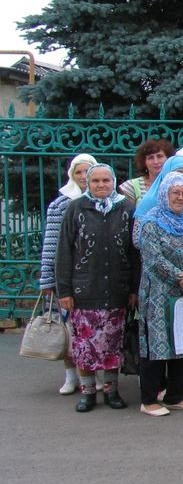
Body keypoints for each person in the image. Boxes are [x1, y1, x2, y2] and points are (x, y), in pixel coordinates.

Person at [55, 163, 137, 411]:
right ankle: (88, 392)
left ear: (113, 182)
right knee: (84, 346)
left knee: (113, 343)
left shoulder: (126, 209)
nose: (101, 185)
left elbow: (134, 253)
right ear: (87, 184)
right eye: (96, 181)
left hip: (116, 290)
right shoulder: (76, 208)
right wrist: (65, 291)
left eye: (106, 181)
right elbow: (64, 251)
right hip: (84, 291)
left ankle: (112, 391)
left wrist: (133, 288)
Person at [134, 171, 183, 416]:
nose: (180, 197)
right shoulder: (151, 222)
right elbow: (153, 259)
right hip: (158, 294)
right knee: (157, 347)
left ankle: (175, 396)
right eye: (175, 193)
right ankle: (149, 400)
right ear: (164, 194)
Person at [40, 152, 99, 395]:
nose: (84, 177)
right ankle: (70, 376)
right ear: (72, 175)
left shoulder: (103, 201)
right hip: (68, 275)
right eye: (79, 172)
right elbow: (51, 244)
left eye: (89, 172)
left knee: (93, 329)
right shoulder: (61, 203)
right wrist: (48, 279)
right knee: (69, 328)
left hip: (93, 276)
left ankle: (93, 375)